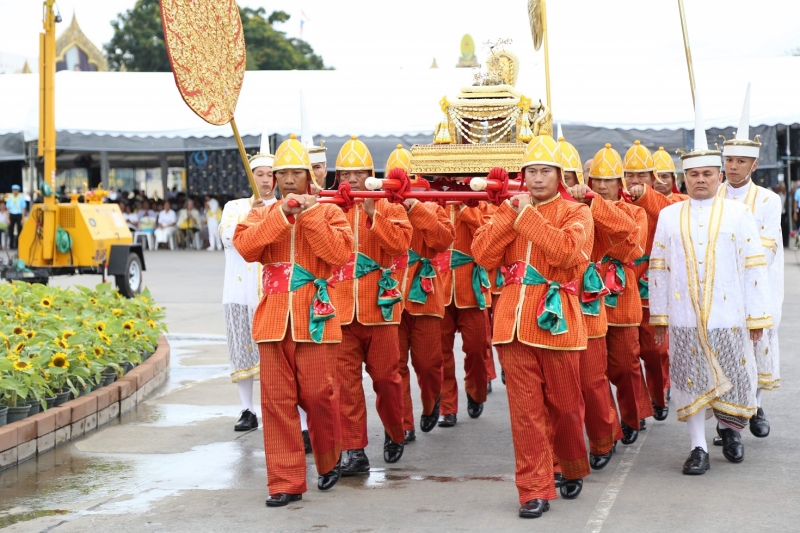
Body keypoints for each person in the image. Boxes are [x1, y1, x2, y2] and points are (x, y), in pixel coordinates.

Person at [649, 99, 771, 474]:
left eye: (707, 173)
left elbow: (754, 267)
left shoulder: (740, 213)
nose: (700, 179)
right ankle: (698, 447)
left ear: (719, 177)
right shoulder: (669, 215)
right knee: (691, 382)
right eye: (693, 174)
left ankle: (730, 433)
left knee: (733, 377)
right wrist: (659, 316)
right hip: (685, 318)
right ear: (684, 178)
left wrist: (757, 317)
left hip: (728, 317)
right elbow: (658, 267)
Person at [473, 134, 592, 518]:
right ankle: (533, 489)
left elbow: (566, 253)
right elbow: (482, 254)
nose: (538, 178)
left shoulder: (577, 212)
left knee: (566, 407)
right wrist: (510, 215)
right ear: (522, 176)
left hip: (558, 323)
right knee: (526, 413)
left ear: (559, 175)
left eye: (545, 171)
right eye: (531, 171)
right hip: (512, 323)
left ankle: (568, 465)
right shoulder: (509, 209)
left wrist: (526, 217)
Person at [233, 134, 354, 507]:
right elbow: (246, 247)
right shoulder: (261, 212)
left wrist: (309, 214)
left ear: (309, 176)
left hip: (314, 317)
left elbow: (339, 254)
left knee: (319, 394)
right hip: (272, 320)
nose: (288, 180)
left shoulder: (329, 212)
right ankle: (285, 482)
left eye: (295, 173)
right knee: (276, 403)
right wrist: (281, 215)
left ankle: (329, 457)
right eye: (281, 173)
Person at [331, 138, 411, 476]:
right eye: (345, 173)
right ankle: (354, 450)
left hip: (380, 309)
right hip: (339, 309)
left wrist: (373, 214)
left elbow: (400, 246)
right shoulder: (330, 208)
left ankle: (395, 431)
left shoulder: (390, 205)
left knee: (386, 380)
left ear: (372, 174)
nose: (352, 178)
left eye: (359, 172)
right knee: (346, 384)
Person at [717, 83, 783, 438]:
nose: (733, 166)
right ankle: (728, 419)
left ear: (754, 164)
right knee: (724, 351)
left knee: (756, 347)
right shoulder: (713, 196)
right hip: (720, 287)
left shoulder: (769, 200)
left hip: (758, 285)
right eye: (729, 160)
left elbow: (767, 249)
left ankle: (754, 405)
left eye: (741, 161)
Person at [564, 138, 634, 470]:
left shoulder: (600, 208)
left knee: (593, 380)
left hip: (588, 303)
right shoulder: (532, 207)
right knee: (560, 390)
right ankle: (562, 457)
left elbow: (627, 235)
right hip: (550, 309)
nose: (563, 183)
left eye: (568, 177)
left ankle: (603, 438)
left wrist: (591, 201)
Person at [395, 149, 455, 443]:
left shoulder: (431, 206)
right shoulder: (379, 207)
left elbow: (443, 241)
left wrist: (414, 208)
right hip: (388, 299)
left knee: (429, 365)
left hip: (425, 296)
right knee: (395, 367)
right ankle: (404, 424)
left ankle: (432, 402)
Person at [626, 141, 679, 428]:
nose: (635, 181)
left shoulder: (671, 203)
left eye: (642, 175)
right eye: (629, 175)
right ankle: (635, 410)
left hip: (655, 284)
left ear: (653, 177)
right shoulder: (618, 200)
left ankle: (659, 394)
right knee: (627, 355)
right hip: (623, 286)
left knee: (656, 351)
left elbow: (671, 214)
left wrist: (646, 195)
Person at [437, 177, 492, 428]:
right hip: (438, 287)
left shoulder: (481, 198)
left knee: (478, 350)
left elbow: (488, 232)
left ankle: (476, 391)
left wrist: (464, 206)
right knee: (441, 354)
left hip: (471, 287)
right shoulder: (433, 197)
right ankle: (447, 407)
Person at [6, 184, 27, 250]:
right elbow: (8, 209)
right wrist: (8, 218)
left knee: (19, 230)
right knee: (11, 230)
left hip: (19, 215)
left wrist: (22, 218)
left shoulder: (21, 199)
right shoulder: (10, 199)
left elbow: (23, 209)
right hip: (11, 215)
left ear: (18, 191)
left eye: (16, 190)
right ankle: (11, 245)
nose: (15, 191)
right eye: (14, 190)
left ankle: (18, 245)